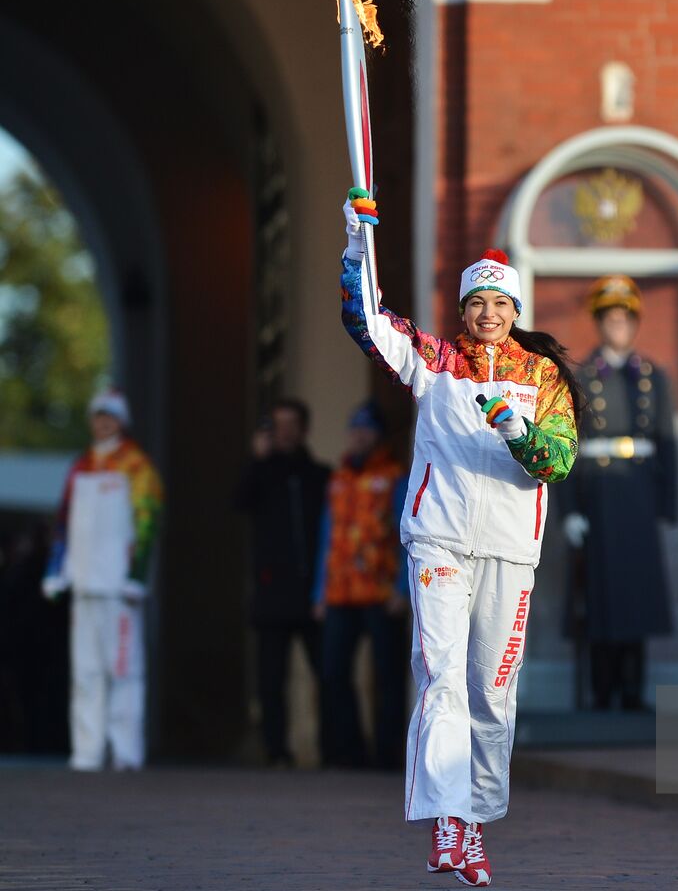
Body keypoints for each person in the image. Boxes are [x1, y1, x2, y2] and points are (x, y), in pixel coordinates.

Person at [340, 189, 578, 886]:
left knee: (491, 694)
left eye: (501, 305)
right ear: (465, 308)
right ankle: (447, 822)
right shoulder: (434, 358)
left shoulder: (544, 378)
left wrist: (517, 430)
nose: (489, 314)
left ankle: (474, 822)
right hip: (439, 541)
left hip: (510, 551)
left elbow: (557, 461)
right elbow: (366, 321)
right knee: (440, 678)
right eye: (478, 302)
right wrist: (357, 246)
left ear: (516, 313)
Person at [562, 275, 678, 711]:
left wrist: (667, 503)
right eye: (610, 319)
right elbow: (567, 445)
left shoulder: (652, 377)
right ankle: (602, 691)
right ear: (599, 324)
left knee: (638, 597)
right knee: (600, 599)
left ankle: (633, 690)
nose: (618, 326)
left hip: (639, 495)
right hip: (599, 496)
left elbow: (667, 442)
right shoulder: (583, 377)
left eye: (625, 319)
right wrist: (569, 510)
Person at [41, 389, 163, 770]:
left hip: (118, 588)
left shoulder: (137, 466)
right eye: (98, 415)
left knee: (124, 670)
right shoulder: (81, 467)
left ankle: (125, 752)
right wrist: (55, 569)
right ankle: (87, 752)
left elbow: (147, 523)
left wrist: (137, 574)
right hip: (82, 585)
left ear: (122, 421)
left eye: (109, 416)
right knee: (86, 673)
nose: (103, 422)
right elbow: (62, 523)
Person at [234, 397, 330, 767]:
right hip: (272, 592)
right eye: (279, 425)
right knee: (271, 680)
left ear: (304, 429)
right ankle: (277, 752)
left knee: (327, 676)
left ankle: (330, 749)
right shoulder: (260, 473)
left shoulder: (320, 475)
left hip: (312, 595)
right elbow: (238, 501)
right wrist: (257, 460)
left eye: (292, 424)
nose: (286, 433)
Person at [313, 400, 409, 769]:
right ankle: (350, 753)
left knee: (387, 677)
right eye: (354, 429)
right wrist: (319, 593)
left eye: (366, 429)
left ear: (378, 435)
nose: (358, 435)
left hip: (382, 593)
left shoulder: (395, 476)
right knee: (334, 673)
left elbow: (406, 534)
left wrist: (403, 589)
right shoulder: (339, 478)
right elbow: (327, 536)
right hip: (339, 591)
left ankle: (386, 756)